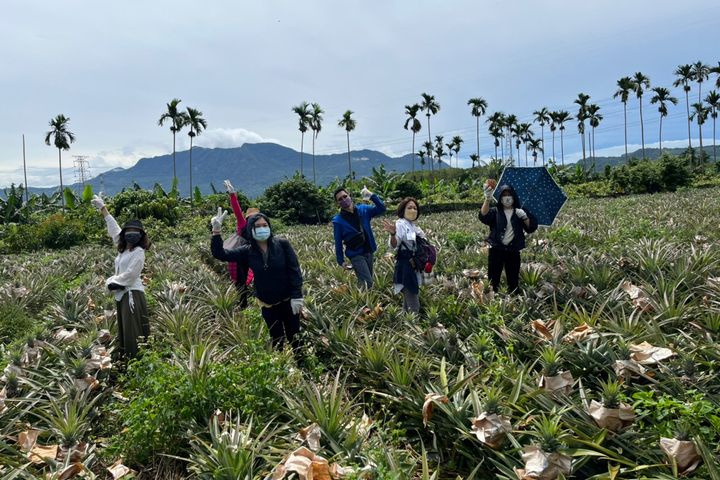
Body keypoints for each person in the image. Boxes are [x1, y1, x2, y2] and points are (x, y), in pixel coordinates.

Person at [210, 208, 304, 354]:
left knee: (295, 336)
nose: (262, 229)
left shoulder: (282, 244)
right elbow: (221, 254)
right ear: (250, 229)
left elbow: (294, 271)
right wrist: (216, 231)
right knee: (276, 337)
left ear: (269, 227)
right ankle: (282, 366)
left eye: (264, 225)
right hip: (268, 304)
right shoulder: (247, 251)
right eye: (257, 226)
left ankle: (301, 363)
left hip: (288, 300)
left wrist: (297, 295)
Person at [91, 195, 151, 358]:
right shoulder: (124, 248)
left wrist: (111, 282)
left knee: (132, 328)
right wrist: (103, 209)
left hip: (132, 293)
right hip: (122, 293)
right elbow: (114, 228)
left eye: (136, 232)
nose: (131, 234)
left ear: (140, 235)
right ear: (125, 234)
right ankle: (130, 357)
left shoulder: (139, 252)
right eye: (129, 231)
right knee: (126, 326)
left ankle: (136, 359)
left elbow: (131, 275)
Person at [479, 183, 538, 294]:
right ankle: (493, 298)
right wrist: (487, 199)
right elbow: (484, 216)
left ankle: (514, 301)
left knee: (513, 280)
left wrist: (524, 217)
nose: (507, 197)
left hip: (513, 250)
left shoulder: (520, 211)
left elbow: (531, 228)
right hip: (496, 249)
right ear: (500, 198)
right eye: (504, 195)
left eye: (509, 194)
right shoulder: (496, 211)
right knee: (493, 279)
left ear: (513, 196)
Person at [332, 186, 386, 288]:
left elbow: (382, 208)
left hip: (369, 250)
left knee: (366, 281)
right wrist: (341, 261)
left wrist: (371, 195)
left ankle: (363, 301)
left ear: (349, 196)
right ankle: (363, 302)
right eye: (340, 199)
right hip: (355, 254)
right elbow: (338, 242)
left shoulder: (363, 210)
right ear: (337, 203)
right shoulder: (338, 221)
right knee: (367, 283)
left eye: (345, 196)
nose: (344, 200)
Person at [382, 197, 428, 314]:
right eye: (409, 207)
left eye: (415, 208)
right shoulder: (400, 224)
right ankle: (414, 327)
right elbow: (394, 244)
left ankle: (405, 324)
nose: (413, 210)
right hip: (406, 265)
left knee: (408, 299)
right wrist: (393, 234)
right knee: (413, 299)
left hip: (414, 265)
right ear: (403, 210)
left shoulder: (413, 226)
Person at [224, 179, 257, 308]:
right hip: (239, 256)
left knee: (251, 278)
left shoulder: (258, 228)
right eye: (252, 217)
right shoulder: (243, 224)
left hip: (251, 256)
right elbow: (237, 210)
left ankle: (249, 300)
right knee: (240, 281)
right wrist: (232, 195)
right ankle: (243, 304)